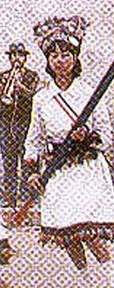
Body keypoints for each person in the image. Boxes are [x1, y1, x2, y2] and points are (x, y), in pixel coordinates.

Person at [24, 16, 114, 285]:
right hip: (57, 171)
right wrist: (32, 171)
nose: (60, 61)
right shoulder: (42, 99)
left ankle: (113, 282)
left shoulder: (89, 94)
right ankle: (86, 282)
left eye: (65, 54)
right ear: (47, 61)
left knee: (88, 231)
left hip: (85, 169)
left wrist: (88, 136)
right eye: (53, 55)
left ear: (74, 58)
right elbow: (33, 139)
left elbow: (106, 137)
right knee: (67, 233)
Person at [0, 43, 39, 208]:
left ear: (25, 58)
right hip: (7, 126)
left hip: (25, 125)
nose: (17, 58)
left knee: (26, 163)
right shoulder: (2, 76)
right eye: (14, 55)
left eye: (21, 55)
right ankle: (8, 199)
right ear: (9, 58)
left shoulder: (32, 76)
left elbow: (34, 97)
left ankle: (26, 199)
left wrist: (20, 88)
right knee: (8, 163)